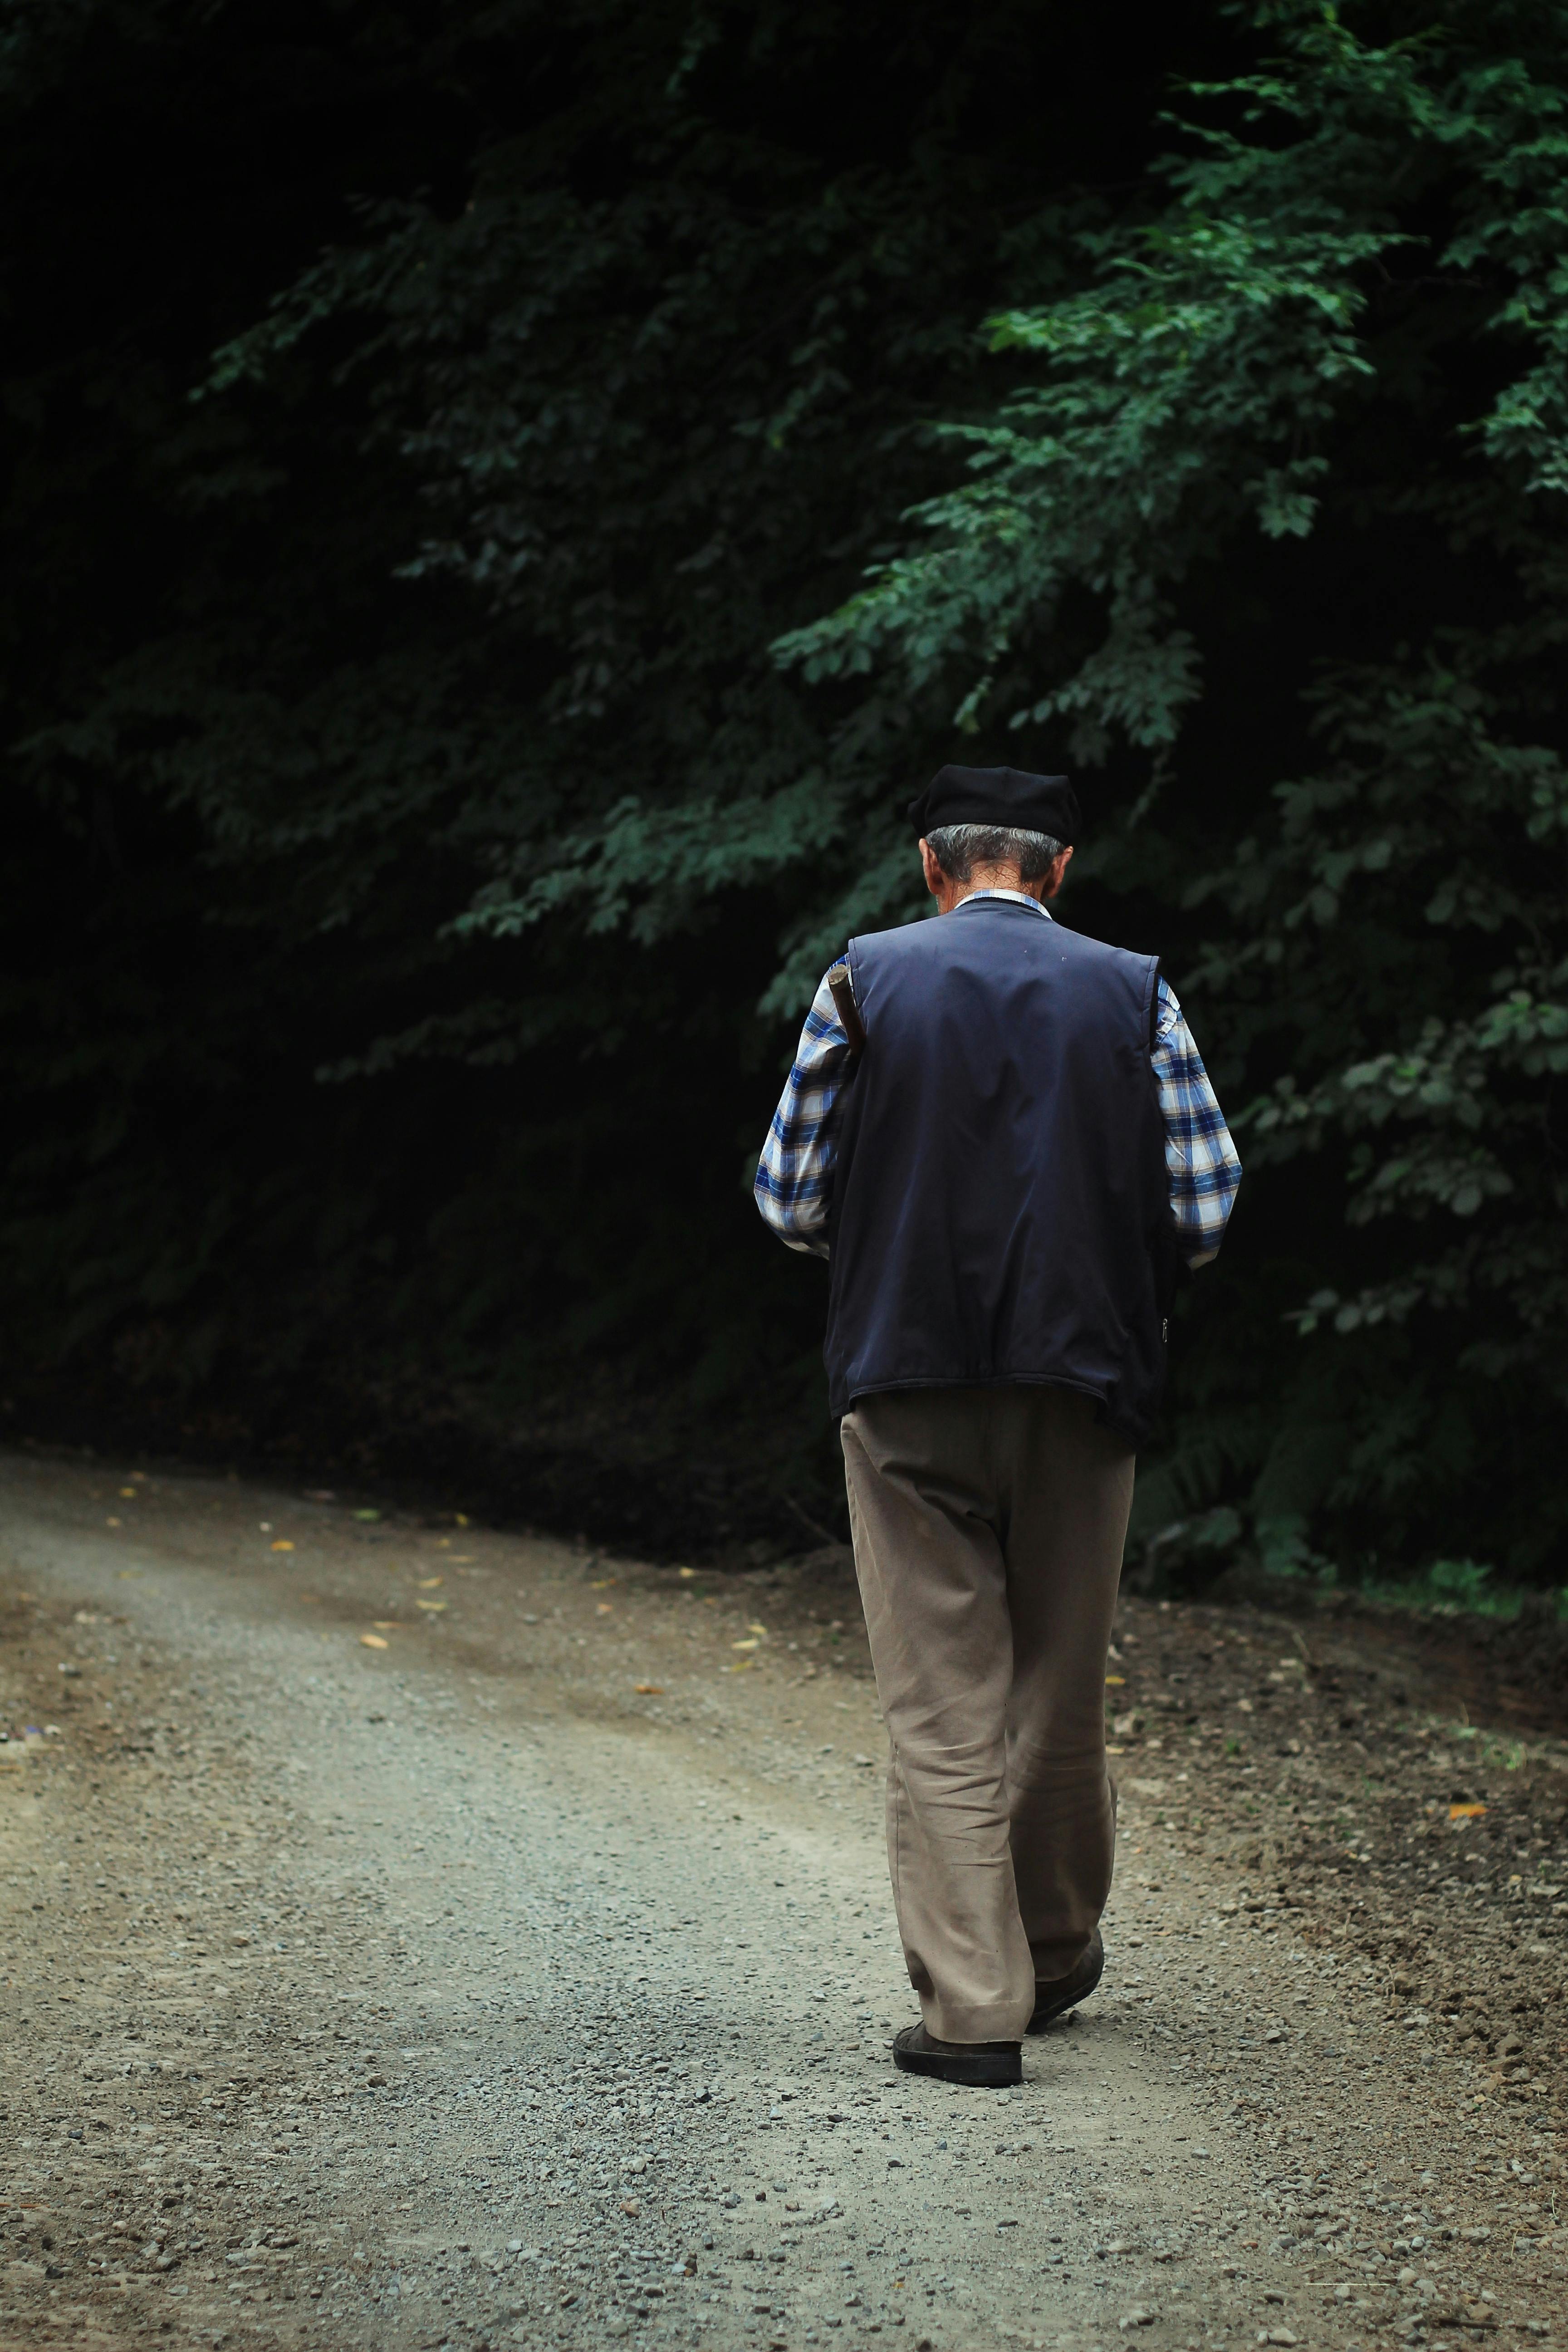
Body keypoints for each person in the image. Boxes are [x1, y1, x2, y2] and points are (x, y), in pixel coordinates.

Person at [754, 764, 1241, 2088]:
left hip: (905, 1384)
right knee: (1059, 1680)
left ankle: (975, 2010)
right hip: (1086, 1385)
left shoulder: (863, 979)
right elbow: (1203, 1209)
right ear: (1061, 870)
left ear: (931, 865)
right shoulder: (1134, 988)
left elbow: (791, 1198)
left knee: (937, 1701)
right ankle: (1056, 1945)